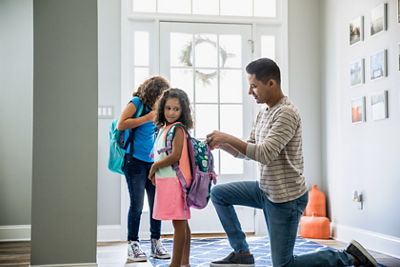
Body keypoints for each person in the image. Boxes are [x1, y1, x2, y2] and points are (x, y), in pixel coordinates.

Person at [206, 58, 378, 267]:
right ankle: (242, 252)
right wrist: (220, 145)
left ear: (271, 83)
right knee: (219, 194)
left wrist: (226, 137)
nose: (250, 92)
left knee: (284, 265)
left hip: (285, 199)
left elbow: (265, 153)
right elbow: (249, 150)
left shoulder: (287, 113)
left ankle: (349, 257)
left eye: (254, 86)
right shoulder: (263, 113)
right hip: (265, 190)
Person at [117, 76, 171, 263]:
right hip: (134, 162)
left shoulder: (159, 108)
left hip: (153, 162)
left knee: (157, 204)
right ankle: (133, 244)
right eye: (161, 96)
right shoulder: (137, 102)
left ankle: (156, 241)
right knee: (137, 205)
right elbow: (121, 124)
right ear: (153, 93)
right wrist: (147, 118)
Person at [149, 88, 193, 267]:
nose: (171, 112)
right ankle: (185, 262)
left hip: (176, 181)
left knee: (179, 223)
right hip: (167, 180)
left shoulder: (178, 129)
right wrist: (156, 172)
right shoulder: (164, 128)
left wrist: (154, 167)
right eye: (168, 108)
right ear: (162, 109)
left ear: (183, 111)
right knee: (182, 222)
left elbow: (175, 156)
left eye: (176, 109)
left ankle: (175, 264)